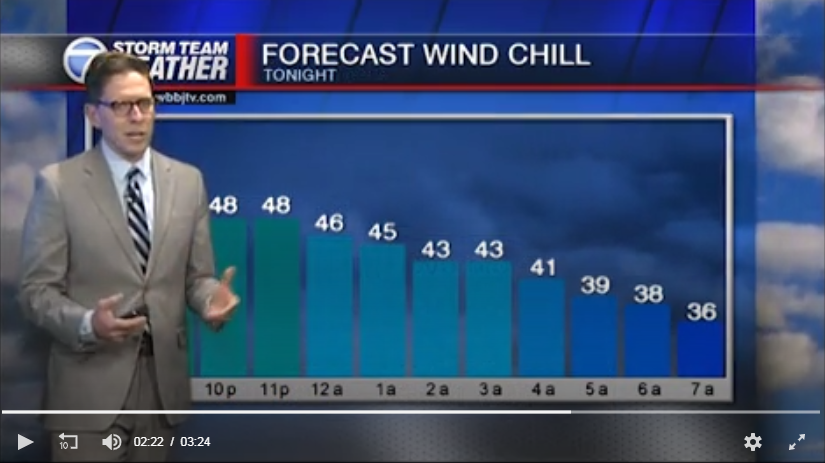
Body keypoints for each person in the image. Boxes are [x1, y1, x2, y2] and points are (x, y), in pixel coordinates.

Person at [18, 51, 239, 462]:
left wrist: (210, 299)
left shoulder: (188, 182)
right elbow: (36, 292)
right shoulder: (59, 185)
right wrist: (89, 323)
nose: (137, 116)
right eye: (122, 105)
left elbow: (196, 277)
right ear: (93, 115)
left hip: (161, 391)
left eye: (145, 103)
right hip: (88, 392)